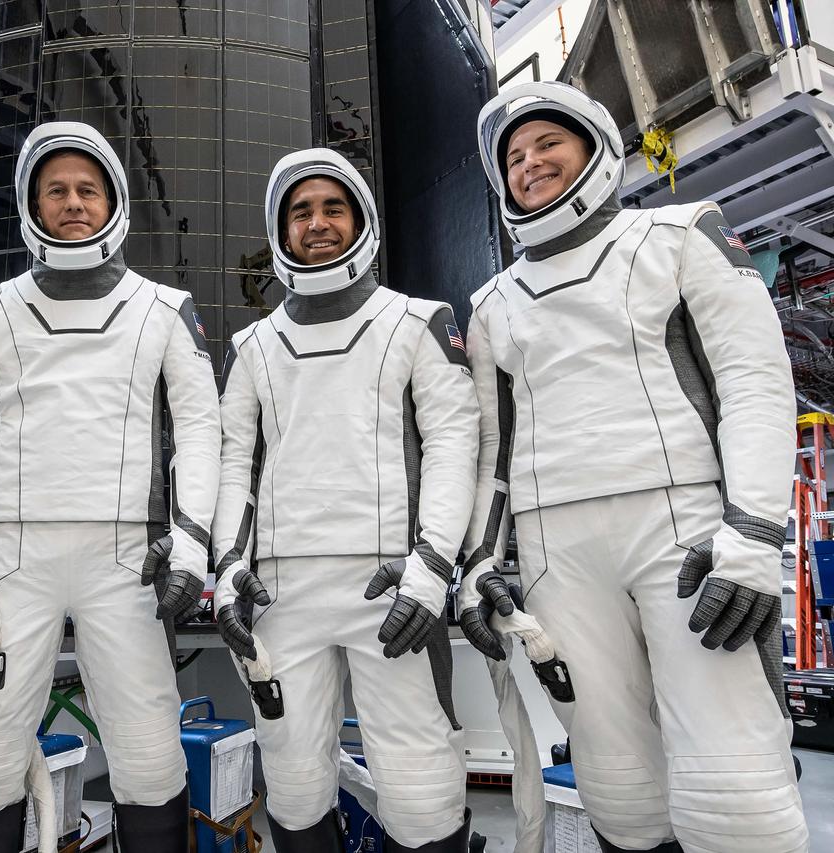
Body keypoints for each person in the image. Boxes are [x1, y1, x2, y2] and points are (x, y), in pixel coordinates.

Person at [458, 81, 809, 853]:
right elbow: (493, 450)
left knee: (734, 795)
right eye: (514, 158)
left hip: (686, 537)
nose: (530, 164)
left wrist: (752, 535)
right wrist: (479, 559)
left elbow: (755, 379)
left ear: (594, 147)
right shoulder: (493, 303)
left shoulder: (682, 234)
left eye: (546, 143)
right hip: (559, 556)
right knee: (621, 792)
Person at [0, 121, 220, 851]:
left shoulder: (165, 309)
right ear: (32, 204)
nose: (73, 203)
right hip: (10, 563)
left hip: (127, 563)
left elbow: (202, 431)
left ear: (112, 201)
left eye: (87, 189)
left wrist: (194, 540)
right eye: (56, 191)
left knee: (148, 754)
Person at [212, 147, 480, 852]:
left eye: (335, 207)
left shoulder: (419, 321)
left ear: (361, 218)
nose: (319, 223)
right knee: (296, 793)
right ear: (281, 230)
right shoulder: (252, 347)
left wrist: (431, 569)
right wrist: (226, 568)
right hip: (281, 594)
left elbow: (455, 446)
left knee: (423, 794)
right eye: (301, 211)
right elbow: (233, 464)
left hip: (393, 591)